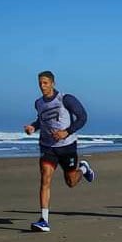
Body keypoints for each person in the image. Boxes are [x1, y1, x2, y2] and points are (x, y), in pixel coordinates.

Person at [24, 71, 95, 233]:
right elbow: (41, 120)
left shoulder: (65, 99)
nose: (42, 86)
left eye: (45, 83)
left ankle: (83, 169)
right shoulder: (38, 103)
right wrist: (33, 127)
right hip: (47, 147)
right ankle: (44, 220)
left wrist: (67, 131)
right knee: (45, 179)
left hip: (67, 146)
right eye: (40, 83)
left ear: (53, 83)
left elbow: (83, 117)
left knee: (71, 182)